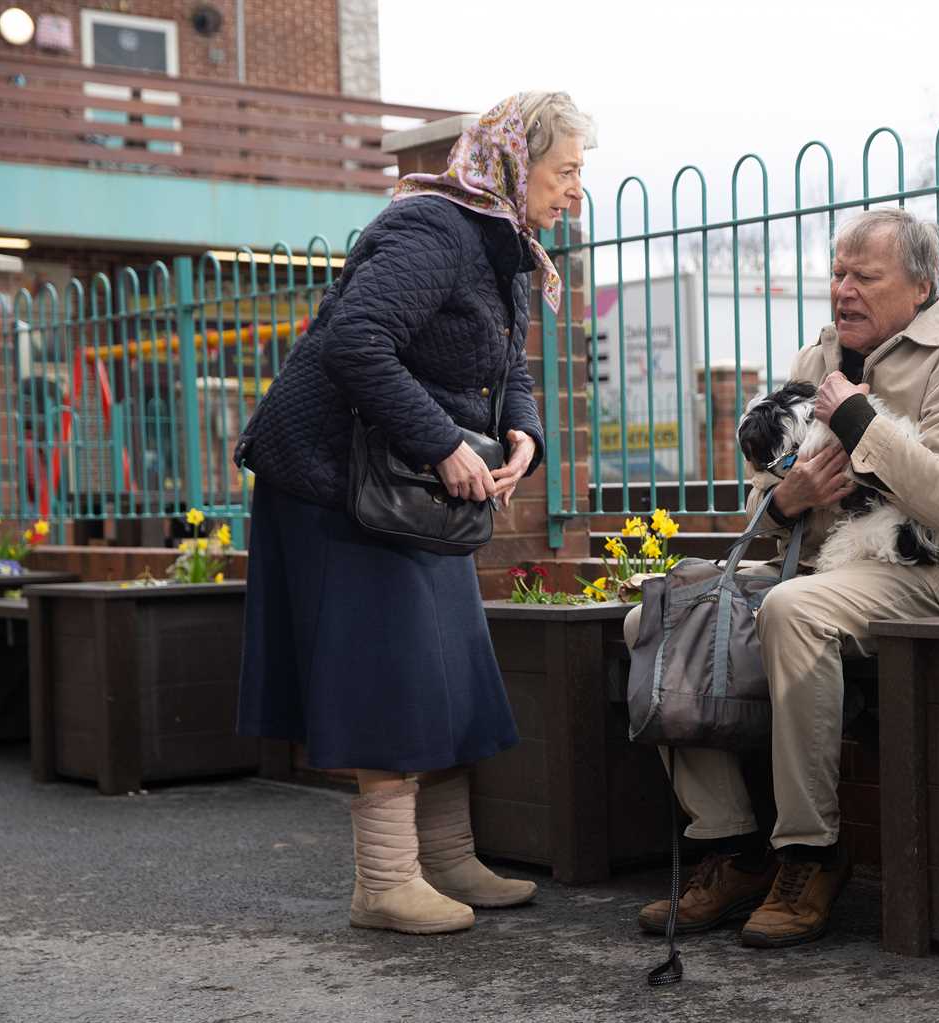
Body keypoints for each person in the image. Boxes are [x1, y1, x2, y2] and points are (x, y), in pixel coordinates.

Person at [234, 93, 594, 935]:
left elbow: (511, 367)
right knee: (389, 670)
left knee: (449, 666)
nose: (578, 191)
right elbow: (356, 339)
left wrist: (522, 434)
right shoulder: (431, 229)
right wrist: (442, 444)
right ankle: (385, 881)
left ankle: (448, 854)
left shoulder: (500, 242)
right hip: (337, 480)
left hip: (409, 484)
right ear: (514, 162)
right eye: (568, 170)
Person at [629, 207, 939, 948]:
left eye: (864, 276)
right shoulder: (820, 355)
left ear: (920, 284)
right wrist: (788, 498)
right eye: (838, 273)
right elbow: (761, 497)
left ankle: (810, 851)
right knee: (655, 618)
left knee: (793, 609)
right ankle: (733, 844)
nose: (843, 290)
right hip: (811, 562)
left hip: (929, 574)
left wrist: (862, 421)